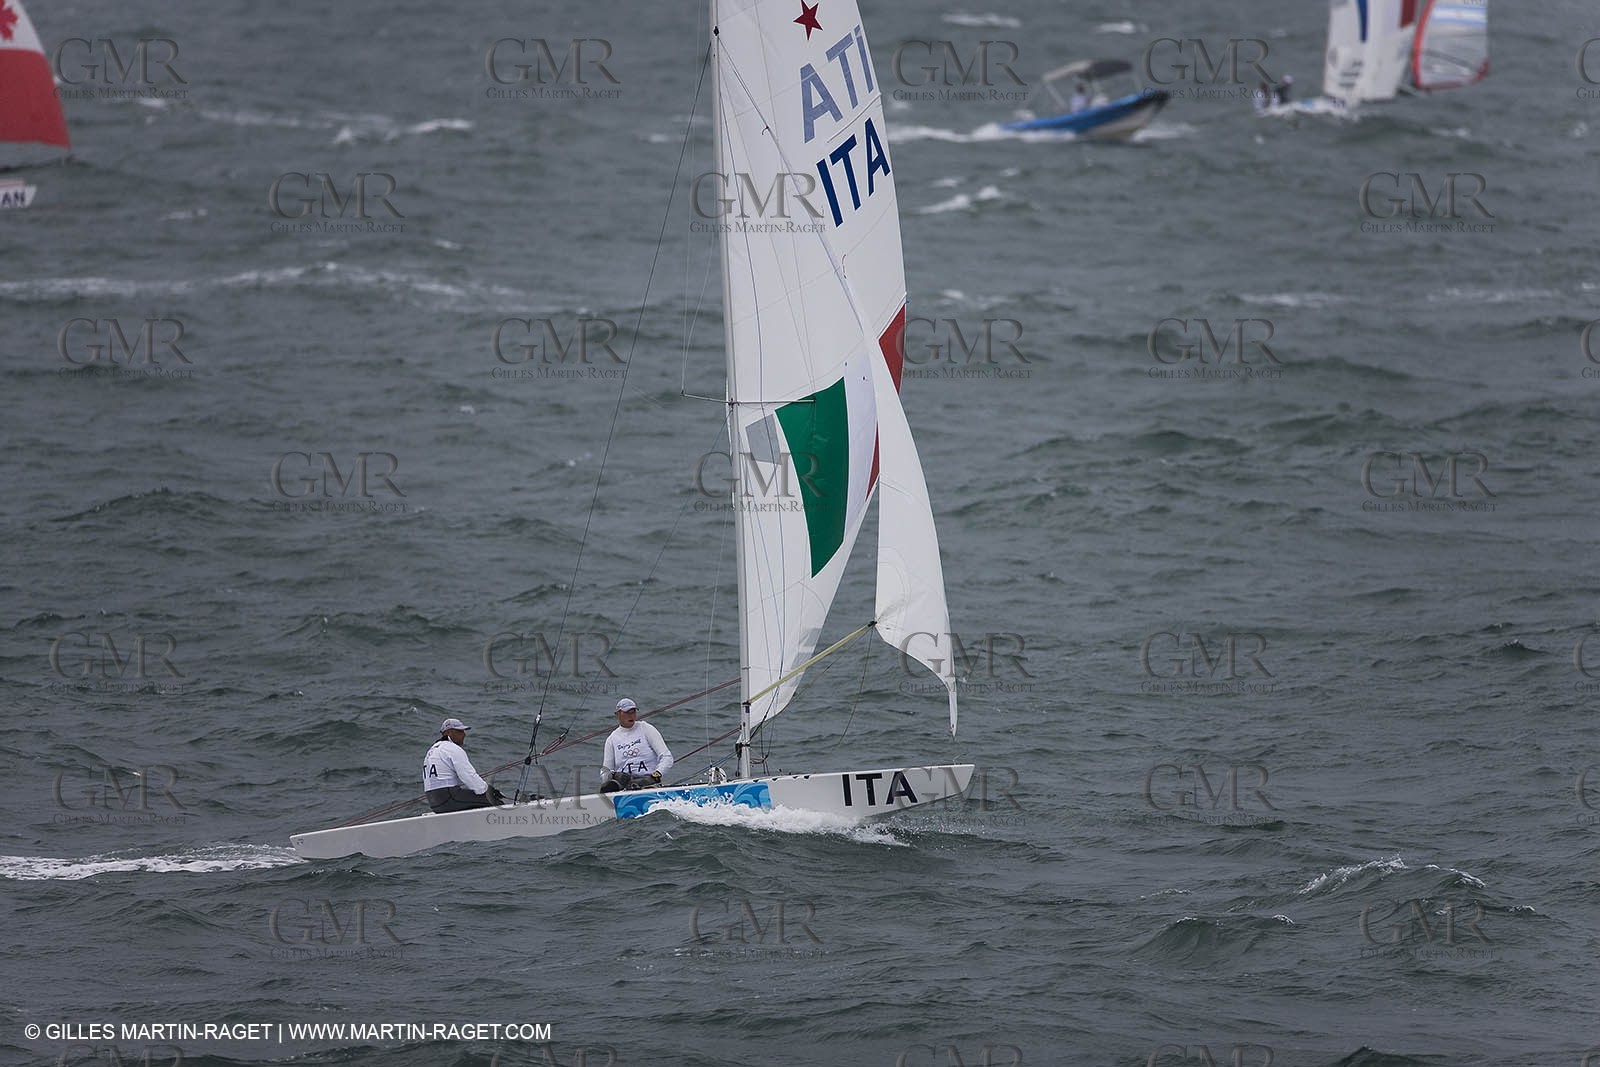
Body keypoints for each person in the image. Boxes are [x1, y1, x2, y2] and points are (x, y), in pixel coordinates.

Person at [422, 717, 504, 812]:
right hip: (448, 798)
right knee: (495, 802)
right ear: (448, 733)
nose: (464, 734)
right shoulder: (452, 748)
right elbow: (468, 776)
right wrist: (488, 791)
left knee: (473, 801)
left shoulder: (431, 751)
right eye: (460, 731)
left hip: (434, 802)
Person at [600, 698, 674, 792]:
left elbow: (667, 757)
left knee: (637, 784)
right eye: (627, 713)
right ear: (617, 714)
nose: (631, 716)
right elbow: (606, 770)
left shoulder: (646, 729)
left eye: (633, 712)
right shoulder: (611, 739)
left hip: (648, 782)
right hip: (624, 784)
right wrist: (612, 775)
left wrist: (656, 775)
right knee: (608, 786)